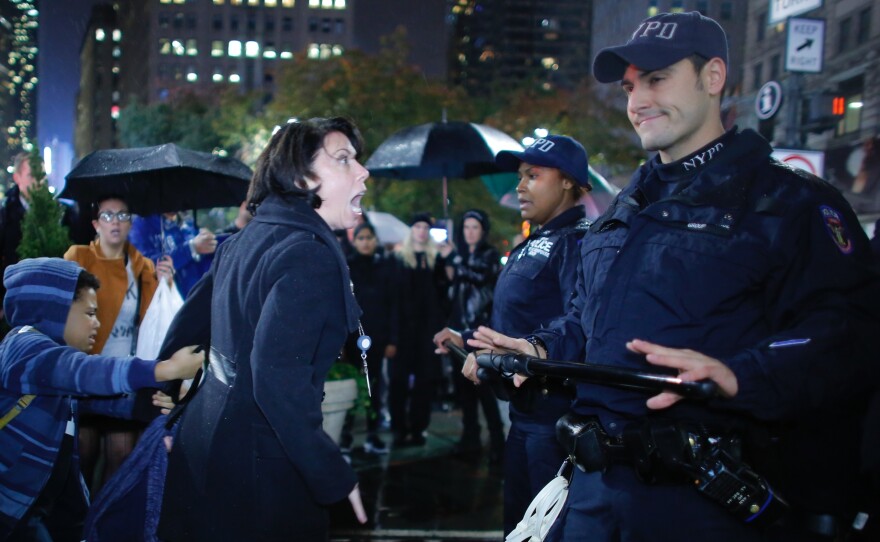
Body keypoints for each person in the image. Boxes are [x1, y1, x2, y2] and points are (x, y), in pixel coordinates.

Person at [469, 11, 880, 541]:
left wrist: (743, 372)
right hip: (593, 489)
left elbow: (851, 332)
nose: (637, 101)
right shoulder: (620, 211)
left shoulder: (788, 204)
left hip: (704, 500)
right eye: (629, 86)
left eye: (657, 78)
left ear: (713, 78)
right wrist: (540, 349)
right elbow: (588, 324)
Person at [156, 117, 369, 541]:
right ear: (302, 177)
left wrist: (164, 407)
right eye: (344, 159)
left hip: (204, 450)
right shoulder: (308, 254)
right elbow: (276, 380)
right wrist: (333, 474)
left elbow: (181, 335)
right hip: (261, 473)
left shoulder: (245, 240)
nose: (363, 171)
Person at [434, 135, 591, 534]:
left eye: (533, 175)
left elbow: (580, 320)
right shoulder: (533, 242)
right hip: (523, 416)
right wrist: (464, 336)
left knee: (545, 530)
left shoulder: (579, 241)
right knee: (518, 529)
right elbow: (511, 324)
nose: (520, 186)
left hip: (553, 422)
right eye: (520, 176)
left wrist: (535, 349)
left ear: (569, 182)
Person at [0, 258, 203, 541]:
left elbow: (103, 399)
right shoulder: (23, 347)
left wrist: (157, 401)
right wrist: (163, 369)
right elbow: (85, 372)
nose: (97, 323)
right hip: (16, 510)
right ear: (55, 311)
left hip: (48, 508)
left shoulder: (53, 370)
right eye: (90, 313)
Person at [63, 195, 175, 492]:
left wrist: (166, 284)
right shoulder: (77, 259)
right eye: (108, 215)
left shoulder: (142, 266)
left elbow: (153, 321)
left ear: (130, 224)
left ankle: (103, 527)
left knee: (121, 454)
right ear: (95, 224)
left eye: (123, 215)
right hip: (85, 375)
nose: (116, 222)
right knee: (82, 453)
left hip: (123, 380)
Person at [443, 209, 505, 463]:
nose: (469, 232)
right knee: (464, 391)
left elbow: (481, 277)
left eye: (475, 227)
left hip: (479, 330)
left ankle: (498, 444)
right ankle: (470, 438)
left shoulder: (488, 254)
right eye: (466, 227)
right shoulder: (459, 255)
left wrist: (456, 261)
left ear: (482, 230)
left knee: (484, 390)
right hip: (458, 328)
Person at [389, 213, 449, 447]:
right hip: (403, 330)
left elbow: (444, 295)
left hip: (428, 330)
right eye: (418, 226)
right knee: (398, 381)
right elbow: (393, 299)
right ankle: (398, 428)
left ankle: (417, 428)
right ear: (411, 230)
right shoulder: (398, 258)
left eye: (425, 227)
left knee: (425, 381)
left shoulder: (436, 260)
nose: (422, 231)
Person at [340, 221, 398, 454]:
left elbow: (393, 305)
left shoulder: (385, 266)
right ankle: (346, 434)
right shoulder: (348, 266)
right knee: (351, 386)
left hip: (378, 337)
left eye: (369, 238)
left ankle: (373, 434)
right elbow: (342, 305)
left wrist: (393, 339)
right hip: (352, 337)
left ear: (375, 240)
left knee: (374, 385)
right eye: (361, 238)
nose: (366, 242)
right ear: (355, 241)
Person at [129, 211, 216, 298]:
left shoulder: (187, 223)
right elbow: (143, 265)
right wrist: (191, 248)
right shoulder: (140, 226)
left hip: (196, 298)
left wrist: (210, 244)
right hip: (166, 303)